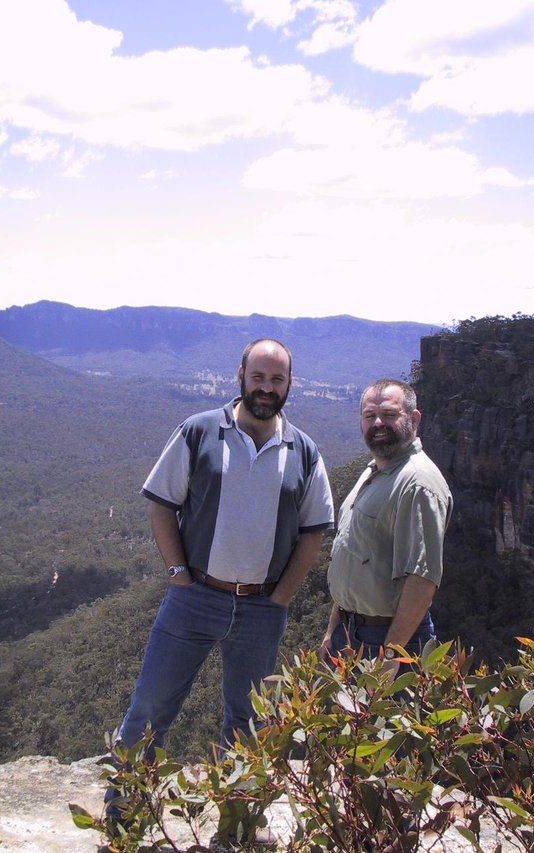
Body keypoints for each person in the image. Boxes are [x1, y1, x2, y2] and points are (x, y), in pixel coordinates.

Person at [108, 338, 335, 849]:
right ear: (240, 376)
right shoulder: (199, 431)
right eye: (259, 377)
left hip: (261, 608)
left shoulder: (305, 451)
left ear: (289, 386)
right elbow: (162, 506)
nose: (266, 388)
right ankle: (122, 826)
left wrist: (281, 600)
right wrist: (178, 575)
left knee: (246, 722)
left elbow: (313, 533)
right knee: (150, 710)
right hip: (195, 597)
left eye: (277, 380)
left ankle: (235, 832)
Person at [320, 378, 452, 681]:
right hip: (350, 634)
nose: (378, 423)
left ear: (414, 418)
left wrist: (391, 655)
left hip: (386, 641)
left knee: (382, 727)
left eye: (390, 415)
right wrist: (333, 630)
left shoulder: (418, 483)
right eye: (370, 416)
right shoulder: (374, 470)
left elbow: (422, 578)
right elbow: (352, 559)